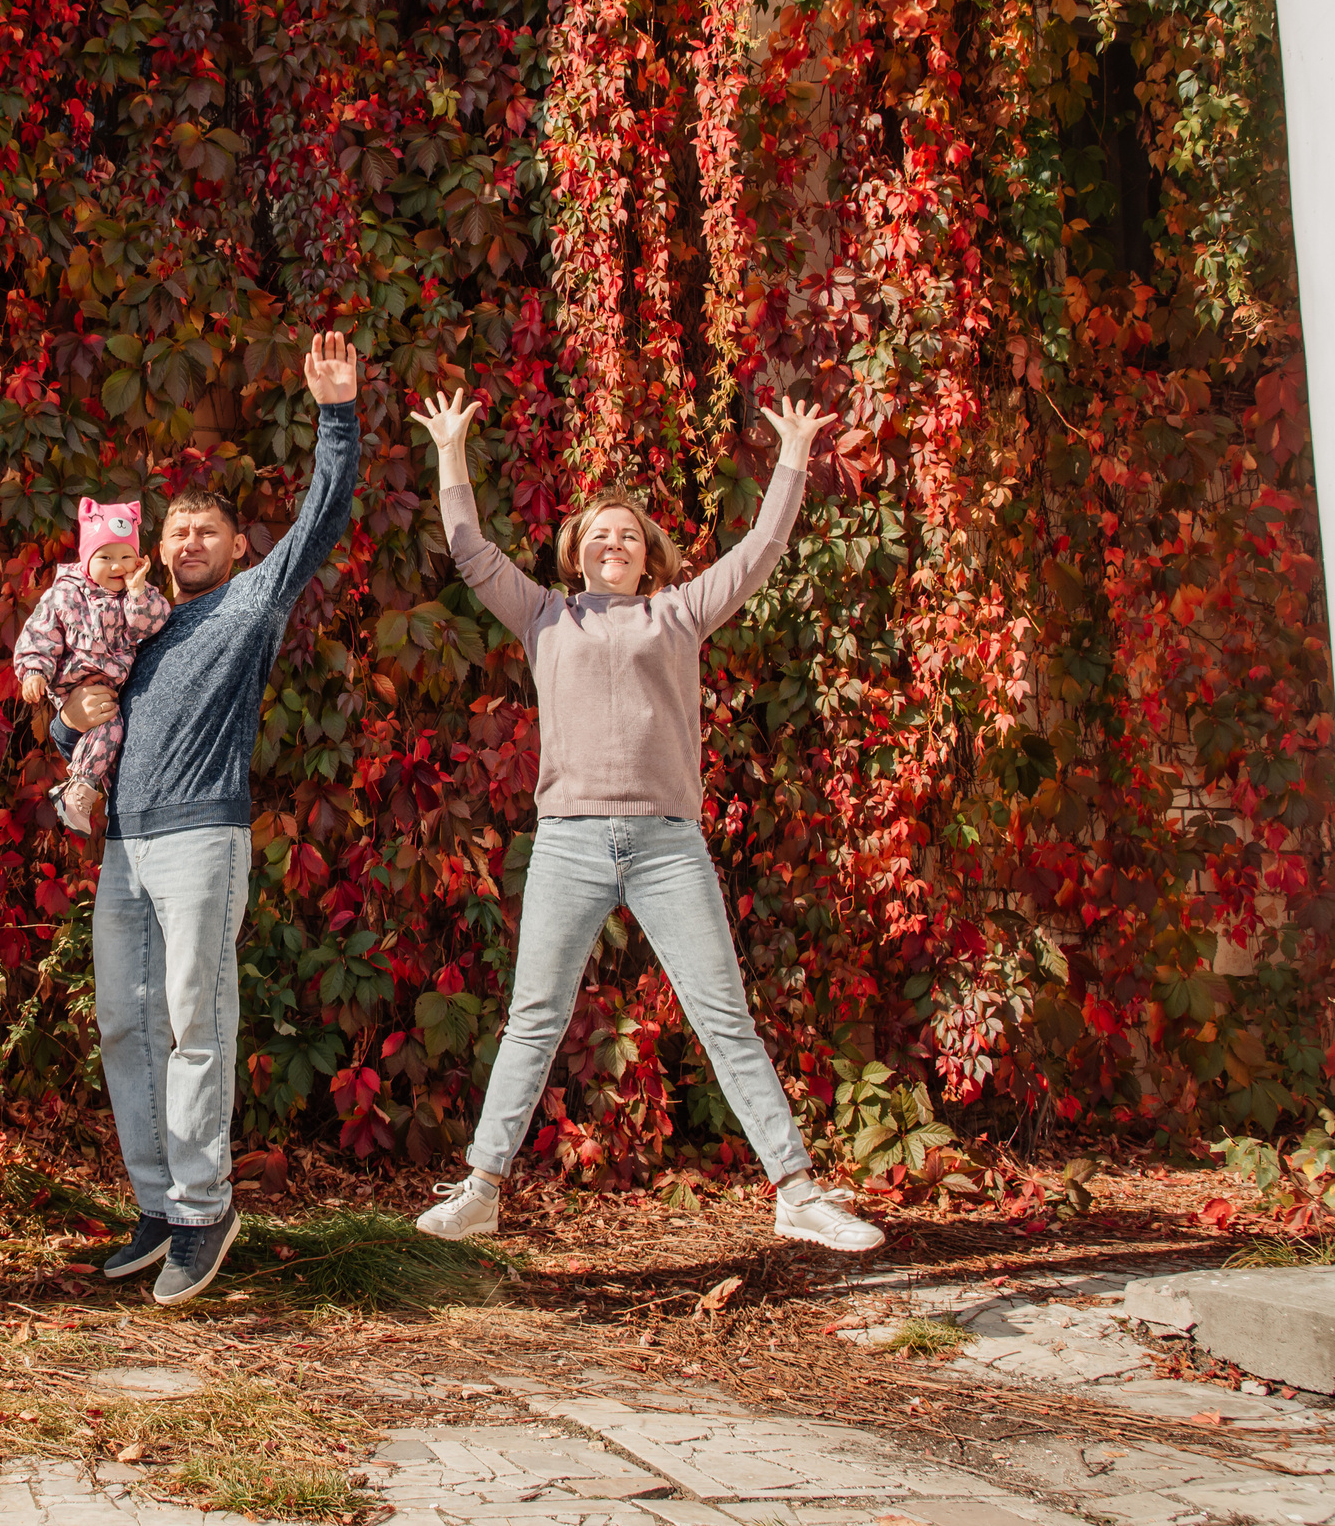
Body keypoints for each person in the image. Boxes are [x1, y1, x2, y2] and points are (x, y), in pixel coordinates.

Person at [403, 388, 884, 1252]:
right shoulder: (544, 614)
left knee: (723, 1015)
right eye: (598, 534)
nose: (613, 542)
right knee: (535, 1016)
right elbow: (471, 552)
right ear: (576, 553)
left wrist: (791, 458)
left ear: (648, 554)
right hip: (570, 843)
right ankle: (481, 1187)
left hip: (667, 845)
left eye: (627, 534)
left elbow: (762, 549)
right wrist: (449, 450)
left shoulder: (681, 613)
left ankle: (798, 1190)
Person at [55, 331, 365, 1306]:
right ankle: (157, 1202)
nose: (189, 540)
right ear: (157, 544)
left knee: (195, 1018)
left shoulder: (247, 607)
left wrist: (338, 415)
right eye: (176, 529)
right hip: (124, 842)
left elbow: (320, 517)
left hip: (199, 837)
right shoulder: (134, 623)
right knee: (123, 1022)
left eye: (207, 530)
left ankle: (204, 1207)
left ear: (235, 549)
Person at [14, 497, 171, 833]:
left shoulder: (135, 596)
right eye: (105, 557)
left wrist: (138, 590)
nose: (117, 566)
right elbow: (40, 634)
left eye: (126, 557)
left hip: (108, 691)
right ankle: (81, 788)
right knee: (108, 727)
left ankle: (80, 788)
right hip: (72, 683)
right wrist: (34, 671)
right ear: (86, 559)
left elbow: (149, 625)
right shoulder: (64, 595)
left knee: (111, 730)